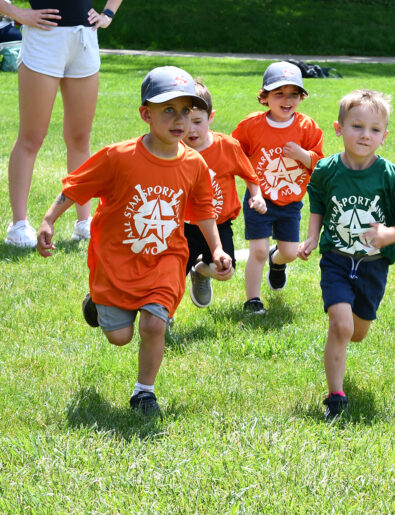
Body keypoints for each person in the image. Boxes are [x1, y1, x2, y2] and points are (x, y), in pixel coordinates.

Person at [35, 66, 231, 415]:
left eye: (186, 110)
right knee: (119, 337)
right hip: (117, 259)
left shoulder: (194, 164)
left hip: (165, 259)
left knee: (155, 324)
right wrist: (49, 219)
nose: (179, 119)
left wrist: (216, 247)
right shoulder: (119, 156)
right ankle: (97, 300)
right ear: (146, 114)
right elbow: (77, 187)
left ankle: (144, 393)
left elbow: (202, 209)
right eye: (168, 109)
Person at [297, 90, 395, 421]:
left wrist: (389, 235)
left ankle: (345, 340)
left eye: (374, 129)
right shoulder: (327, 169)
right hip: (337, 259)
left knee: (357, 332)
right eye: (356, 126)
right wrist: (312, 237)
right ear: (339, 129)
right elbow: (318, 200)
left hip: (373, 265)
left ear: (384, 136)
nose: (365, 135)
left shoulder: (390, 176)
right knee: (340, 326)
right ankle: (335, 397)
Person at [2, 0, 123, 248]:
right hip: (43, 40)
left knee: (80, 138)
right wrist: (16, 13)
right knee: (32, 137)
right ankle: (18, 225)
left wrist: (108, 14)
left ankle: (84, 221)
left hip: (84, 40)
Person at [232, 62, 324, 315]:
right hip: (259, 198)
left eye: (293, 94)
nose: (287, 100)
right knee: (257, 250)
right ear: (265, 97)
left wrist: (303, 154)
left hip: (291, 201)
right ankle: (253, 301)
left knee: (289, 253)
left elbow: (319, 164)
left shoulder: (307, 127)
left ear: (301, 97)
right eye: (279, 94)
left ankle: (277, 261)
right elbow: (235, 153)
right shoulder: (252, 125)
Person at [179, 79, 266, 309]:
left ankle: (200, 271)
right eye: (185, 122)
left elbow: (249, 175)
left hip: (220, 223)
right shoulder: (173, 149)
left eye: (197, 121)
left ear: (211, 117)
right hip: (184, 226)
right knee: (173, 274)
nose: (191, 130)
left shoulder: (227, 146)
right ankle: (165, 316)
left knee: (225, 272)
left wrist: (256, 196)